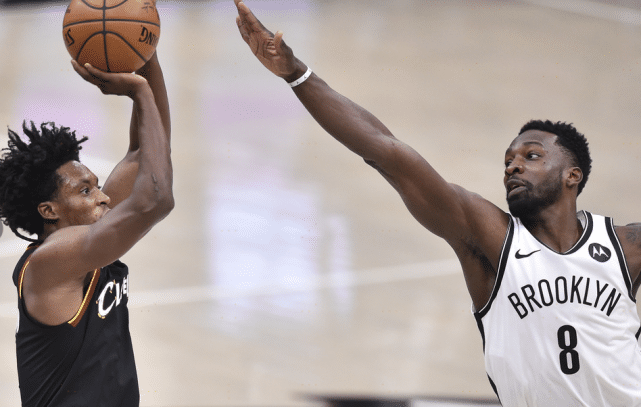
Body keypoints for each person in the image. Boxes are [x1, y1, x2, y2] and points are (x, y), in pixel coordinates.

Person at [234, 1, 641, 405]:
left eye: (531, 156)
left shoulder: (625, 246)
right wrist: (296, 74)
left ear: (573, 175)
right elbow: (388, 153)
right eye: (508, 161)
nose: (513, 166)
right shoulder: (491, 238)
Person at [0, 53, 173, 406]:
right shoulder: (51, 260)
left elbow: (146, 152)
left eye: (96, 185)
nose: (104, 196)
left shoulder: (92, 227)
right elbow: (157, 198)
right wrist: (139, 92)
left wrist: (148, 55)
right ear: (49, 210)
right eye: (85, 191)